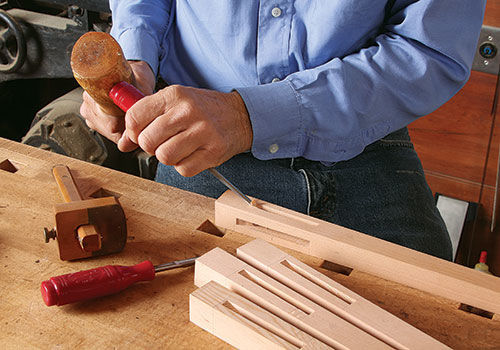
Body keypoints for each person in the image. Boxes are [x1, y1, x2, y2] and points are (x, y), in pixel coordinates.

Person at [80, 1, 486, 261]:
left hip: (364, 144)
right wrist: (135, 64)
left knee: (436, 318)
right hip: (199, 149)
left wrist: (246, 117)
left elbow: (429, 50)